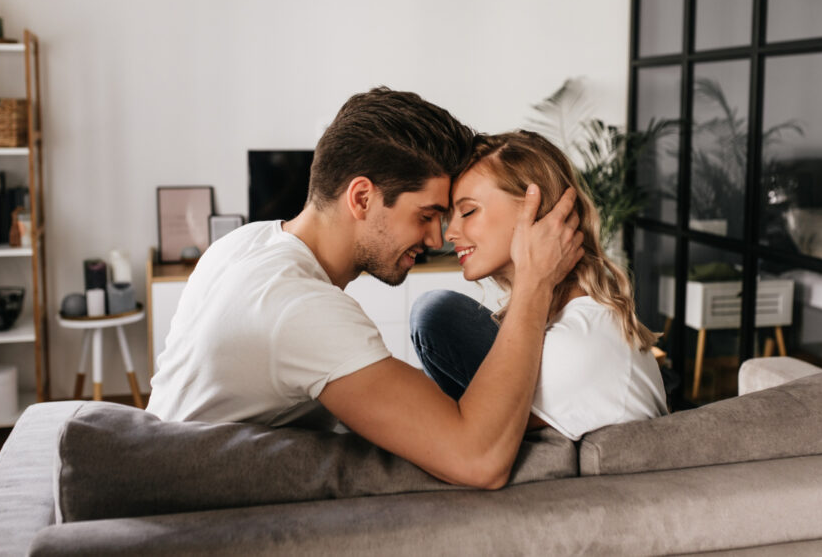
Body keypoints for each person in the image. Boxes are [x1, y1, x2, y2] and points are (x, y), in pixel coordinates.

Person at [146, 88, 584, 489]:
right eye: (426, 215)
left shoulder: (243, 243)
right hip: (200, 512)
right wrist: (534, 282)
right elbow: (480, 461)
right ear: (361, 198)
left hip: (160, 470)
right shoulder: (298, 307)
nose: (437, 239)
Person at [410, 130, 668, 440]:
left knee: (436, 312)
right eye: (450, 216)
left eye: (468, 211)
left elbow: (468, 442)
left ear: (536, 210)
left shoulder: (573, 346)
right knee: (438, 314)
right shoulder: (563, 326)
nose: (449, 233)